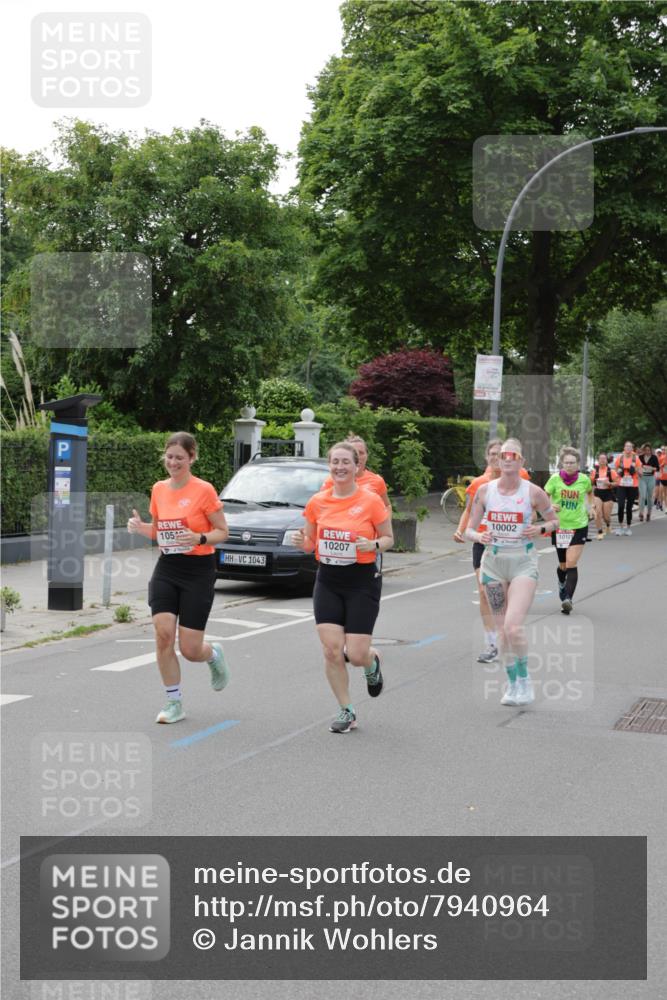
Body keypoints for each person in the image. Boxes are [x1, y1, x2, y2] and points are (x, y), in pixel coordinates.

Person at [127, 432, 230, 724]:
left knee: (190, 649)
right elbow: (160, 532)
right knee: (162, 635)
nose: (173, 463)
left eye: (180, 458)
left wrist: (199, 536)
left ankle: (213, 656)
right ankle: (174, 702)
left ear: (192, 458)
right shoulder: (159, 489)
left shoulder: (204, 490)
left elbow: (223, 532)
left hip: (198, 570)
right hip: (168, 567)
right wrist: (140, 527)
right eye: (169, 457)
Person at [294, 441, 393, 733]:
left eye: (345, 462)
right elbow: (311, 542)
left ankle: (371, 663)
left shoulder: (371, 500)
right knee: (331, 650)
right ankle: (346, 710)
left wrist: (373, 544)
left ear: (356, 466)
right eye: (335, 462)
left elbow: (389, 538)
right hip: (328, 579)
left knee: (357, 654)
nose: (340, 467)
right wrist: (304, 544)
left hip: (362, 580)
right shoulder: (317, 502)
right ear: (329, 466)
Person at [465, 438, 559, 707]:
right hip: (493, 564)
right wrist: (481, 536)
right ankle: (512, 682)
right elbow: (470, 529)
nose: (507, 459)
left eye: (513, 455)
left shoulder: (533, 492)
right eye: (503, 455)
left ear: (521, 461)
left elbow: (555, 521)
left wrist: (540, 529)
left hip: (522, 563)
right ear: (497, 460)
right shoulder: (484, 491)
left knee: (513, 626)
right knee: (501, 630)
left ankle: (525, 680)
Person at [454, 440, 531, 662]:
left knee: (503, 596)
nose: (497, 459)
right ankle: (490, 642)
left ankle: (507, 633)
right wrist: (461, 531)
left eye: (501, 454)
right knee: (484, 591)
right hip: (483, 542)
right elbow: (469, 511)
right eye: (493, 455)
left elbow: (529, 506)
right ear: (487, 458)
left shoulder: (522, 477)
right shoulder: (479, 484)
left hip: (510, 545)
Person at [545, 447, 593, 615]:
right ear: (562, 463)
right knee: (563, 565)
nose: (570, 465)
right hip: (560, 526)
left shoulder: (584, 479)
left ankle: (568, 600)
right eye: (566, 463)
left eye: (572, 463)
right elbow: (542, 497)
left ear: (578, 464)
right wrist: (549, 506)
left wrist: (590, 507)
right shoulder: (554, 479)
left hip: (579, 525)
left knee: (572, 563)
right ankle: (561, 583)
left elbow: (589, 493)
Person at [613, 441, 642, 536]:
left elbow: (640, 472)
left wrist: (637, 471)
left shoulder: (636, 459)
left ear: (632, 449)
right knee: (620, 506)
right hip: (621, 485)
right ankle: (621, 527)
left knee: (629, 507)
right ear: (624, 448)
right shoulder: (620, 458)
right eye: (627, 446)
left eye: (630, 447)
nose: (628, 448)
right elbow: (616, 470)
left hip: (632, 485)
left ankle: (629, 527)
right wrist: (619, 472)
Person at [590, 452, 615, 539]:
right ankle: (600, 532)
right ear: (598, 461)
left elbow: (617, 483)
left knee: (606, 516)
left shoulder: (611, 471)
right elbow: (592, 484)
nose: (602, 460)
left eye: (604, 459)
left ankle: (608, 525)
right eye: (600, 459)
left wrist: (609, 483)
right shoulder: (594, 472)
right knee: (598, 513)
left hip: (608, 493)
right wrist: (592, 498)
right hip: (598, 493)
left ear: (606, 461)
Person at [637, 443, 659, 522]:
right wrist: (640, 469)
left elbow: (657, 468)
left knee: (649, 497)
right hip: (642, 478)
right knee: (642, 496)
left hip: (651, 478)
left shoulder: (654, 457)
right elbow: (637, 466)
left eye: (649, 450)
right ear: (643, 450)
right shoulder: (640, 457)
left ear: (651, 450)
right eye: (645, 450)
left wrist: (651, 468)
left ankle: (649, 513)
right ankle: (641, 513)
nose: (647, 452)